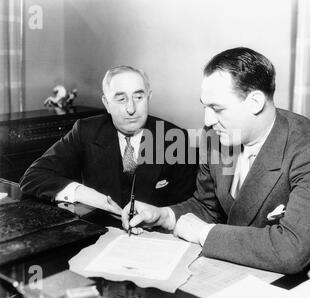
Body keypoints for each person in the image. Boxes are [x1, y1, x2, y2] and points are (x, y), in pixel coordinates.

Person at [122, 48, 310, 274]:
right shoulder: (215, 137)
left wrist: (204, 233)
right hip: (243, 270)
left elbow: (291, 251)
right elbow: (207, 206)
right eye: (205, 106)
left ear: (255, 102)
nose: (207, 120)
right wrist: (164, 216)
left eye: (217, 108)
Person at [20, 66, 197, 215]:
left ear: (149, 97)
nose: (131, 108)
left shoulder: (174, 137)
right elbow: (32, 177)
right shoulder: (86, 131)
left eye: (138, 97)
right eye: (121, 99)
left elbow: (188, 206)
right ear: (106, 103)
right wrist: (86, 195)